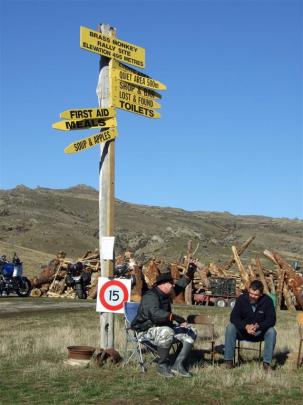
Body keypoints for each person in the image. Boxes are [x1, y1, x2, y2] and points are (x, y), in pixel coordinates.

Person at [131, 266, 197, 378]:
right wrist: (175, 317)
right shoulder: (150, 296)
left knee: (191, 331)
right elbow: (155, 314)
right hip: (146, 331)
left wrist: (190, 271)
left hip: (163, 329)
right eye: (171, 283)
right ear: (163, 284)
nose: (174, 285)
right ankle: (162, 365)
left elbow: (181, 284)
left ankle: (178, 364)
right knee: (167, 332)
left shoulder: (168, 293)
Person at [224, 279, 276, 371]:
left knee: (272, 331)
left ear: (261, 294)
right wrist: (246, 326)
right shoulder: (241, 299)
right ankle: (229, 361)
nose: (253, 296)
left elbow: (271, 320)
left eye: (256, 295)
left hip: (259, 332)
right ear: (249, 290)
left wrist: (258, 326)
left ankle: (266, 364)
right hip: (243, 332)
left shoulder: (268, 301)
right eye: (251, 293)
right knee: (230, 327)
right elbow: (234, 317)